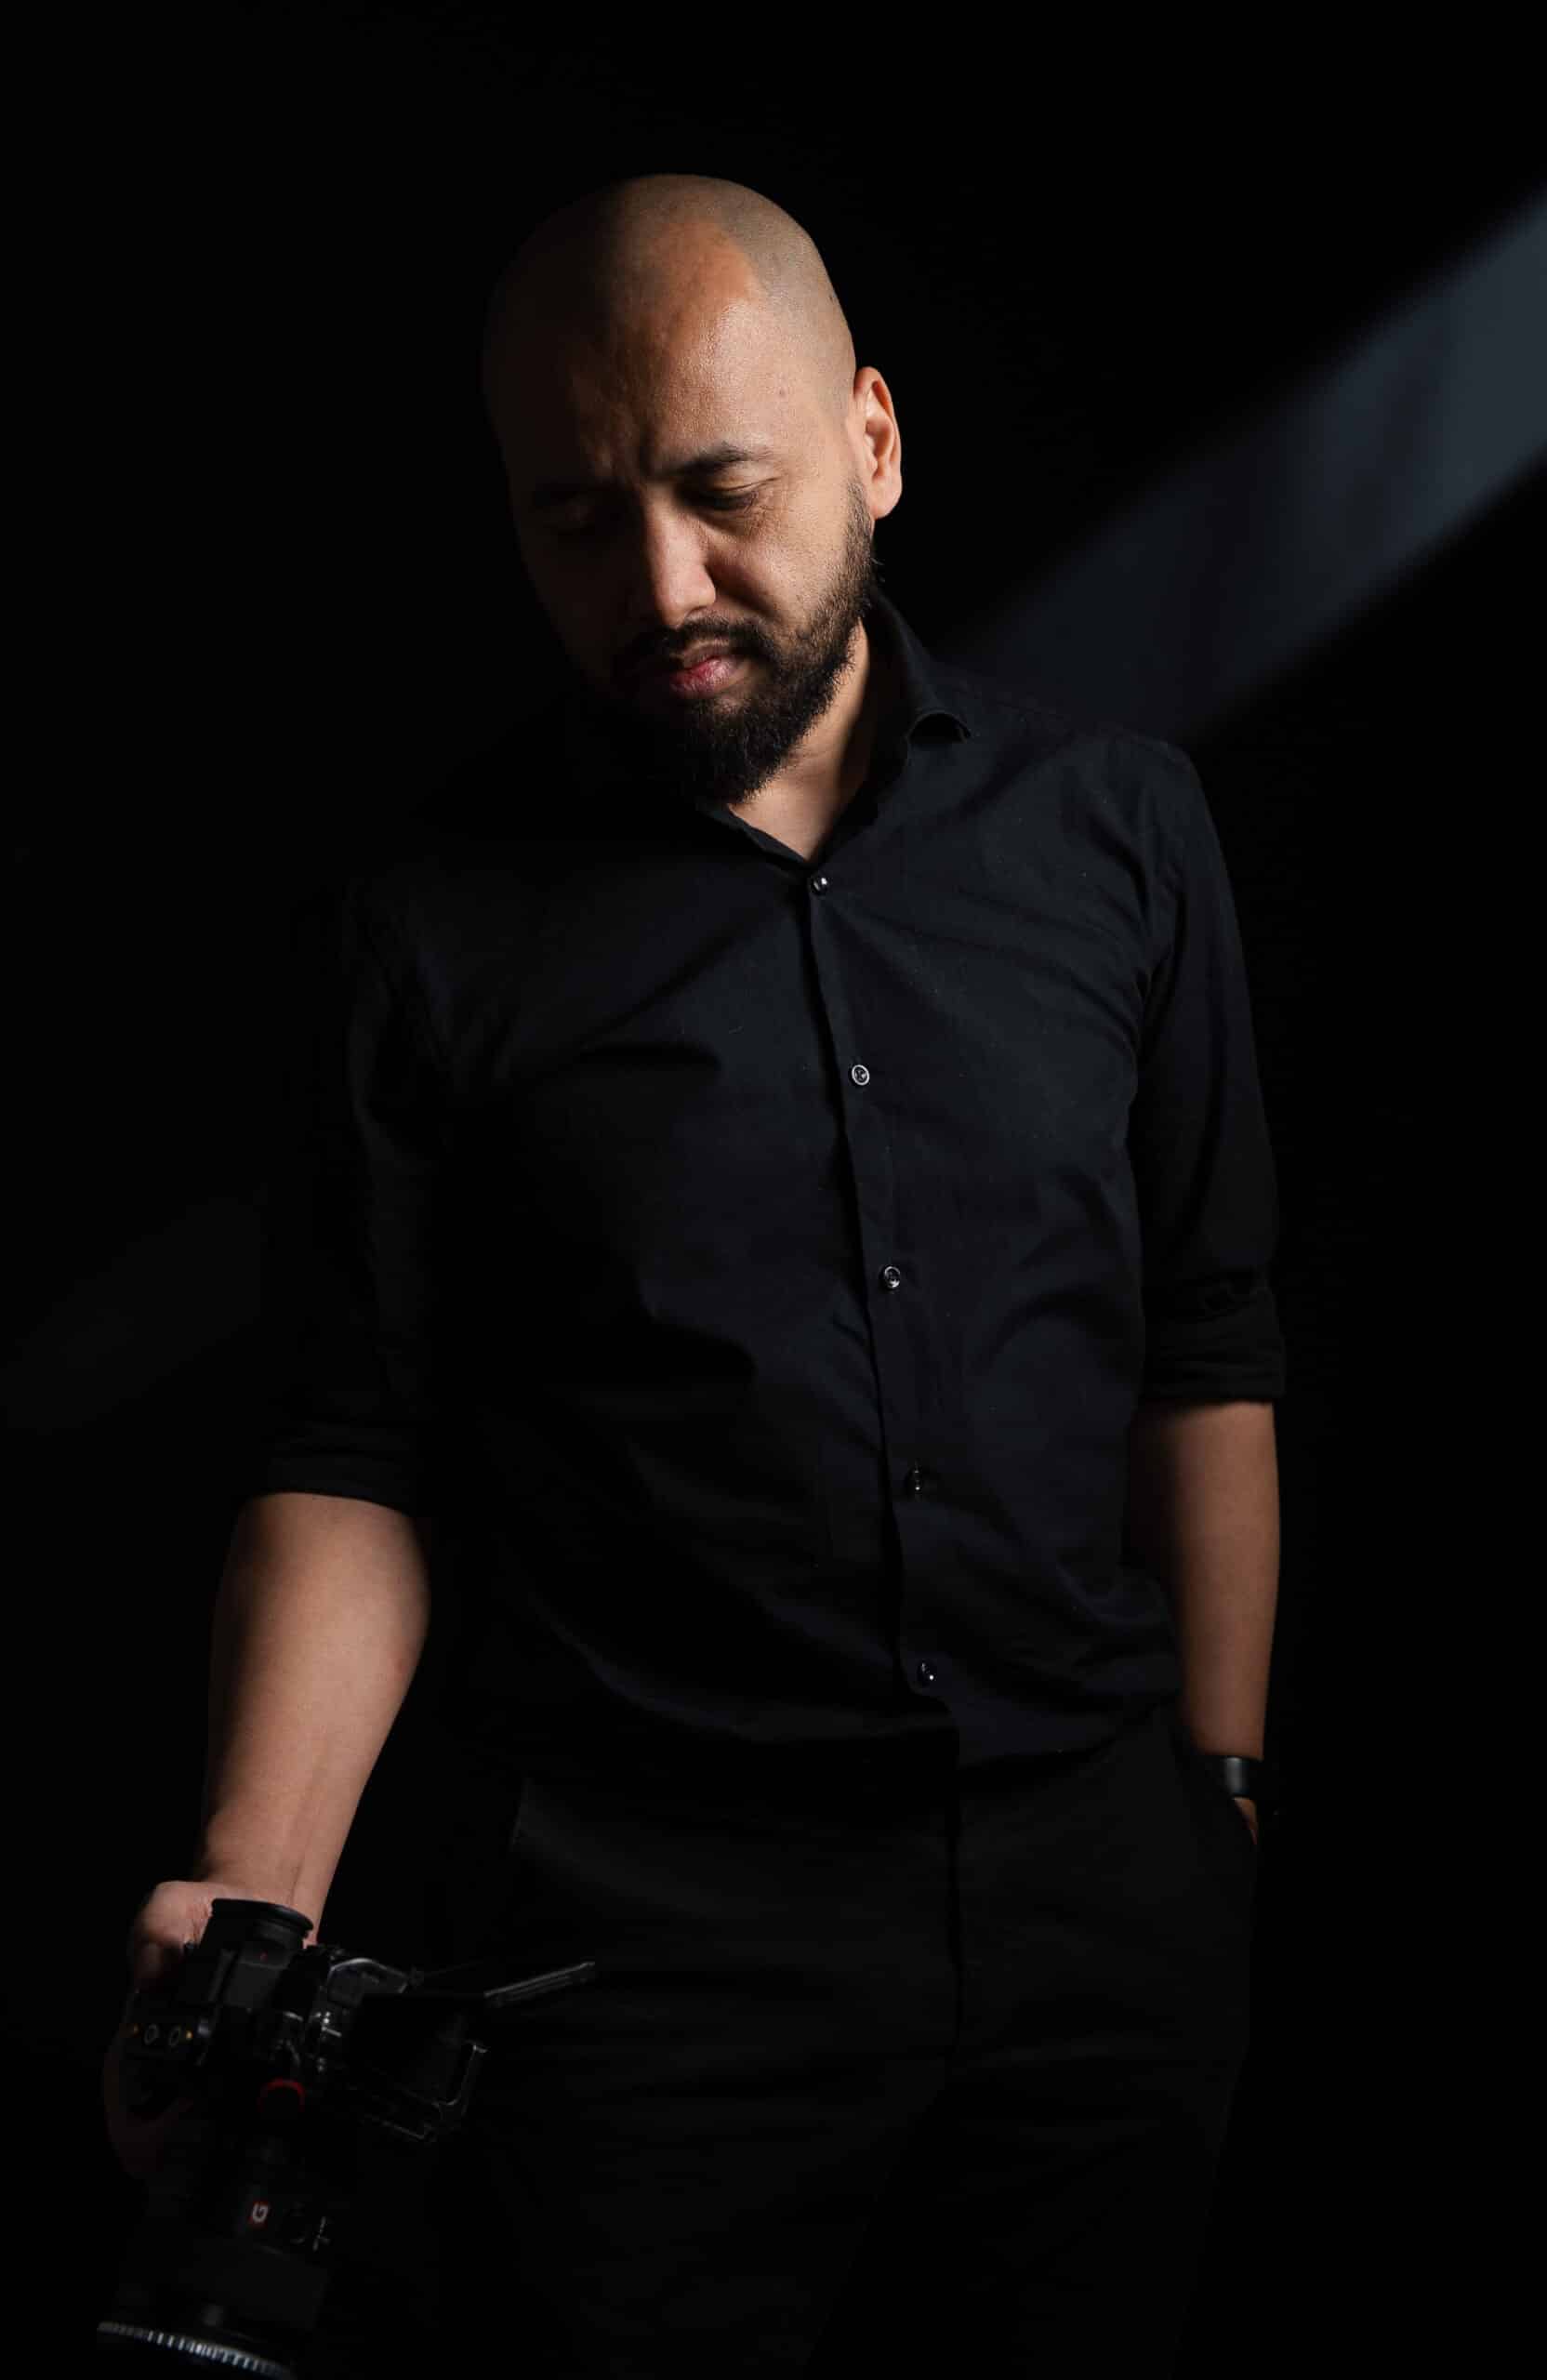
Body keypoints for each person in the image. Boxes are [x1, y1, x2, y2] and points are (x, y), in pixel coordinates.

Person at [108, 172, 1286, 2375]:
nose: (659, 585)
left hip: (1104, 1923)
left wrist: (1219, 1799)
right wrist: (254, 1890)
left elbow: (1205, 1342)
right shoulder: (423, 928)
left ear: (872, 442)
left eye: (719, 493)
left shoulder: (1122, 829)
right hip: (646, 1967)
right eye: (576, 520)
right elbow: (356, 1448)